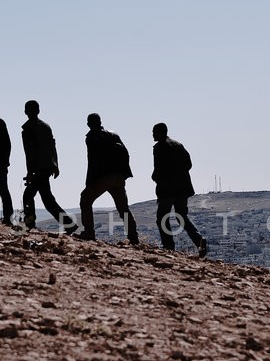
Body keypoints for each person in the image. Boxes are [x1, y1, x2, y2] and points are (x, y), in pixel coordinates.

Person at [78, 113, 138, 243]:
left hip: (103, 177)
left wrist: (90, 182)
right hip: (118, 177)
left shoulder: (92, 137)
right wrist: (123, 174)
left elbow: (93, 161)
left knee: (85, 199)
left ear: (89, 124)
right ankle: (133, 237)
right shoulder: (113, 135)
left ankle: (89, 232)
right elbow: (126, 153)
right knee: (123, 208)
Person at [20, 100, 77, 233]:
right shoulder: (46, 126)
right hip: (47, 167)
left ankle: (30, 225)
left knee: (30, 196)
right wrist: (55, 165)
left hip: (38, 169)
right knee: (47, 199)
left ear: (25, 111)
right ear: (38, 111)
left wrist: (30, 172)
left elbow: (30, 152)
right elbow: (52, 146)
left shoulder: (28, 128)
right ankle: (68, 224)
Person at [152, 123, 207, 257]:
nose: (152, 135)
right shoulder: (178, 145)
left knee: (162, 218)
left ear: (160, 132)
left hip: (167, 189)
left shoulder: (159, 147)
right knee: (181, 216)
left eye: (154, 132)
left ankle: (169, 247)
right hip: (183, 189)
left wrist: (155, 177)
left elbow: (158, 169)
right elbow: (189, 164)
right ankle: (198, 240)